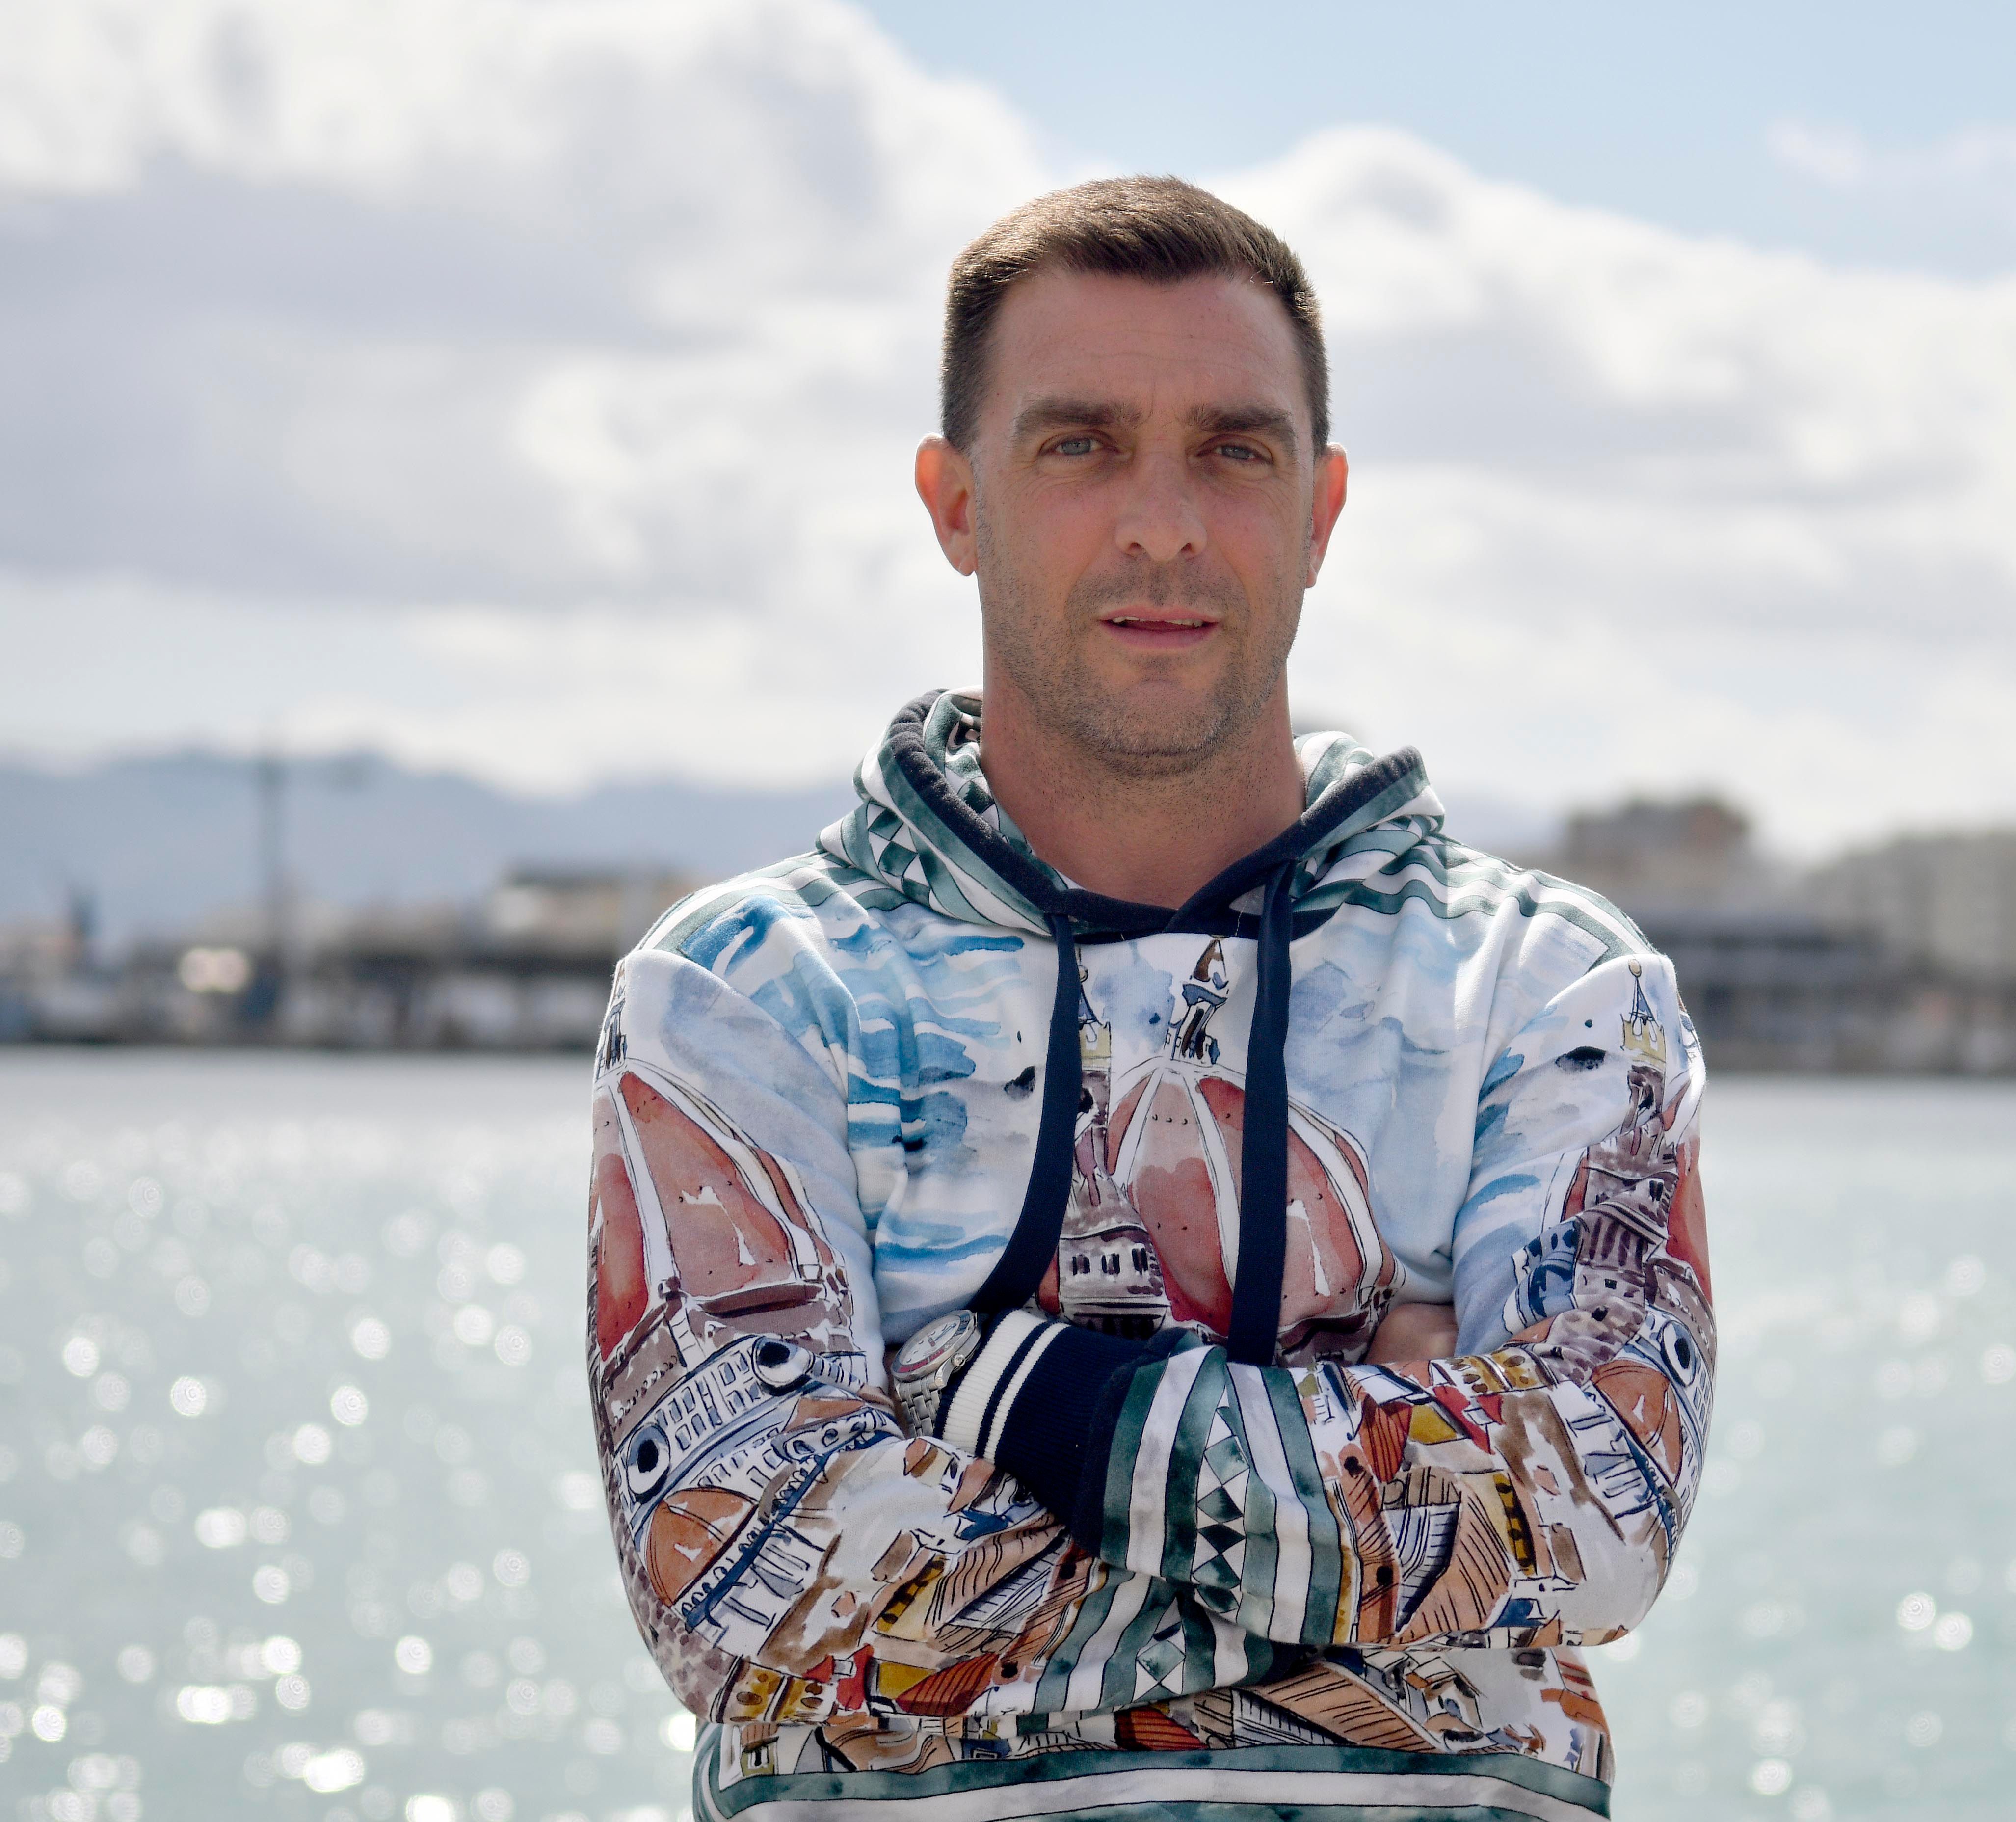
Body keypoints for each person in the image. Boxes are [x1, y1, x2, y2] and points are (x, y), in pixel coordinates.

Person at [584, 175, 1715, 1822]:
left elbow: (1597, 1527)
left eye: (1233, 452)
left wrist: (993, 1394)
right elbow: (747, 1585)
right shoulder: (748, 996)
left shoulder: (1549, 987)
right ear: (955, 503)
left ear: (1322, 510)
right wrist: (1397, 1493)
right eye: (1081, 446)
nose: (1163, 523)